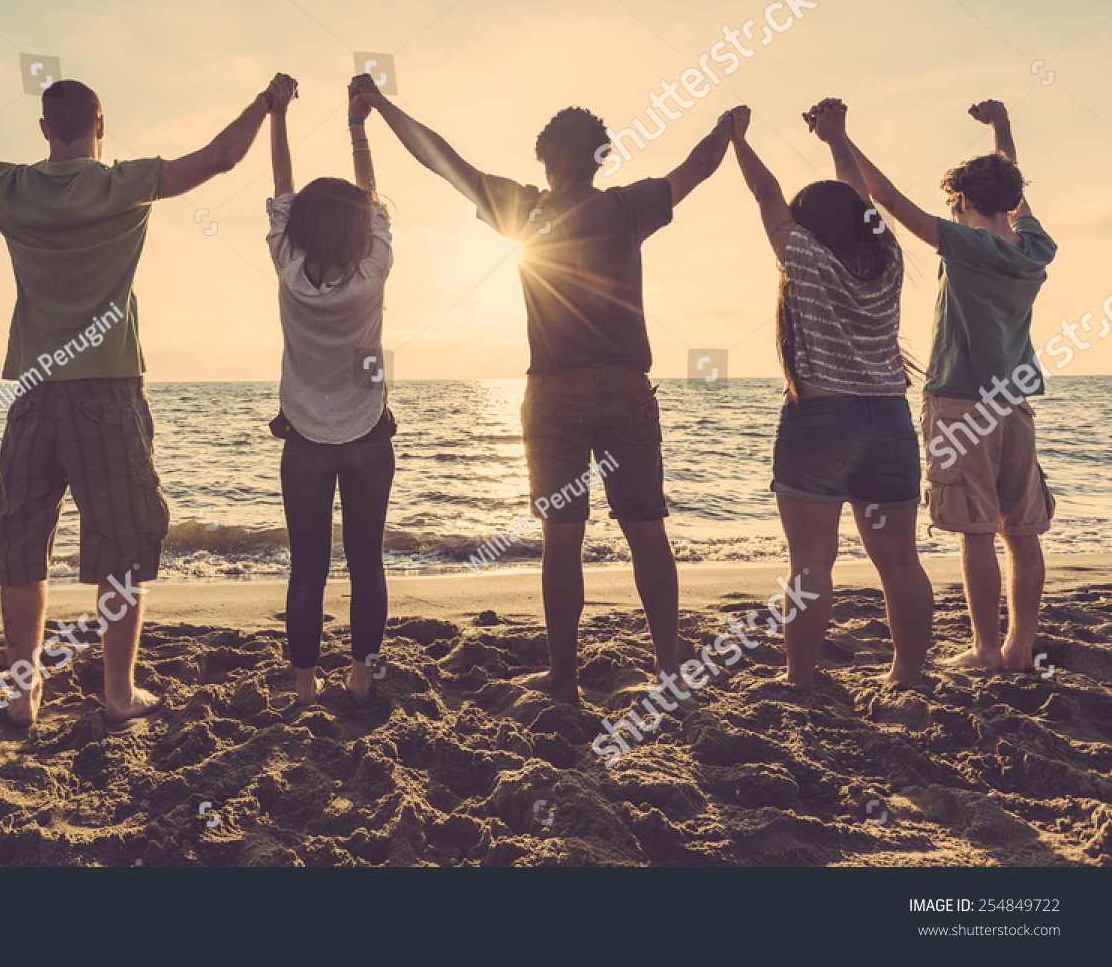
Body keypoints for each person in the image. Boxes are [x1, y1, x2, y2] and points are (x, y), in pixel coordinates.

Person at [0, 50, 293, 726]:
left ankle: (23, 692)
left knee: (24, 547)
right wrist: (267, 104)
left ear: (45, 126)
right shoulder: (122, 185)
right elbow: (223, 156)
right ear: (99, 124)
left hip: (34, 393)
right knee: (120, 545)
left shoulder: (13, 185)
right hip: (108, 391)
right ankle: (116, 691)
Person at [352, 73, 736, 704]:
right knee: (646, 529)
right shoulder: (625, 207)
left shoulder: (527, 209)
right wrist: (728, 127)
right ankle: (669, 672)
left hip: (555, 393)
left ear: (545, 160)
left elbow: (439, 158)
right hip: (626, 386)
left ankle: (564, 678)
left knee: (563, 536)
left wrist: (380, 104)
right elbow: (696, 169)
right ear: (599, 157)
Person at [842, 99, 1056, 672]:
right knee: (1023, 530)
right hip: (1015, 407)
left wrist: (839, 137)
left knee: (977, 531)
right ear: (1012, 201)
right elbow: (1012, 187)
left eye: (955, 204)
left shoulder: (966, 244)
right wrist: (1000, 129)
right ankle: (1019, 647)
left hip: (961, 406)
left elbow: (887, 199)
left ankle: (986, 648)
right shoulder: (1033, 248)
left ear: (961, 201)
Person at [729, 99, 934, 687]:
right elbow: (860, 201)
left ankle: (800, 680)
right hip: (890, 423)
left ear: (808, 224)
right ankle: (907, 677)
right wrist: (837, 137)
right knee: (899, 562)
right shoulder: (889, 260)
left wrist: (739, 139)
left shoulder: (803, 255)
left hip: (820, 422)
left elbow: (766, 193)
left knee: (812, 564)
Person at [264, 76, 397, 708]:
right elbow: (370, 196)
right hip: (369, 431)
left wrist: (277, 114)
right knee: (366, 561)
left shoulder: (288, 267)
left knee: (307, 568)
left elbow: (282, 191)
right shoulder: (374, 269)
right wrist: (357, 123)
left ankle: (304, 681)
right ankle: (363, 673)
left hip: (304, 440)